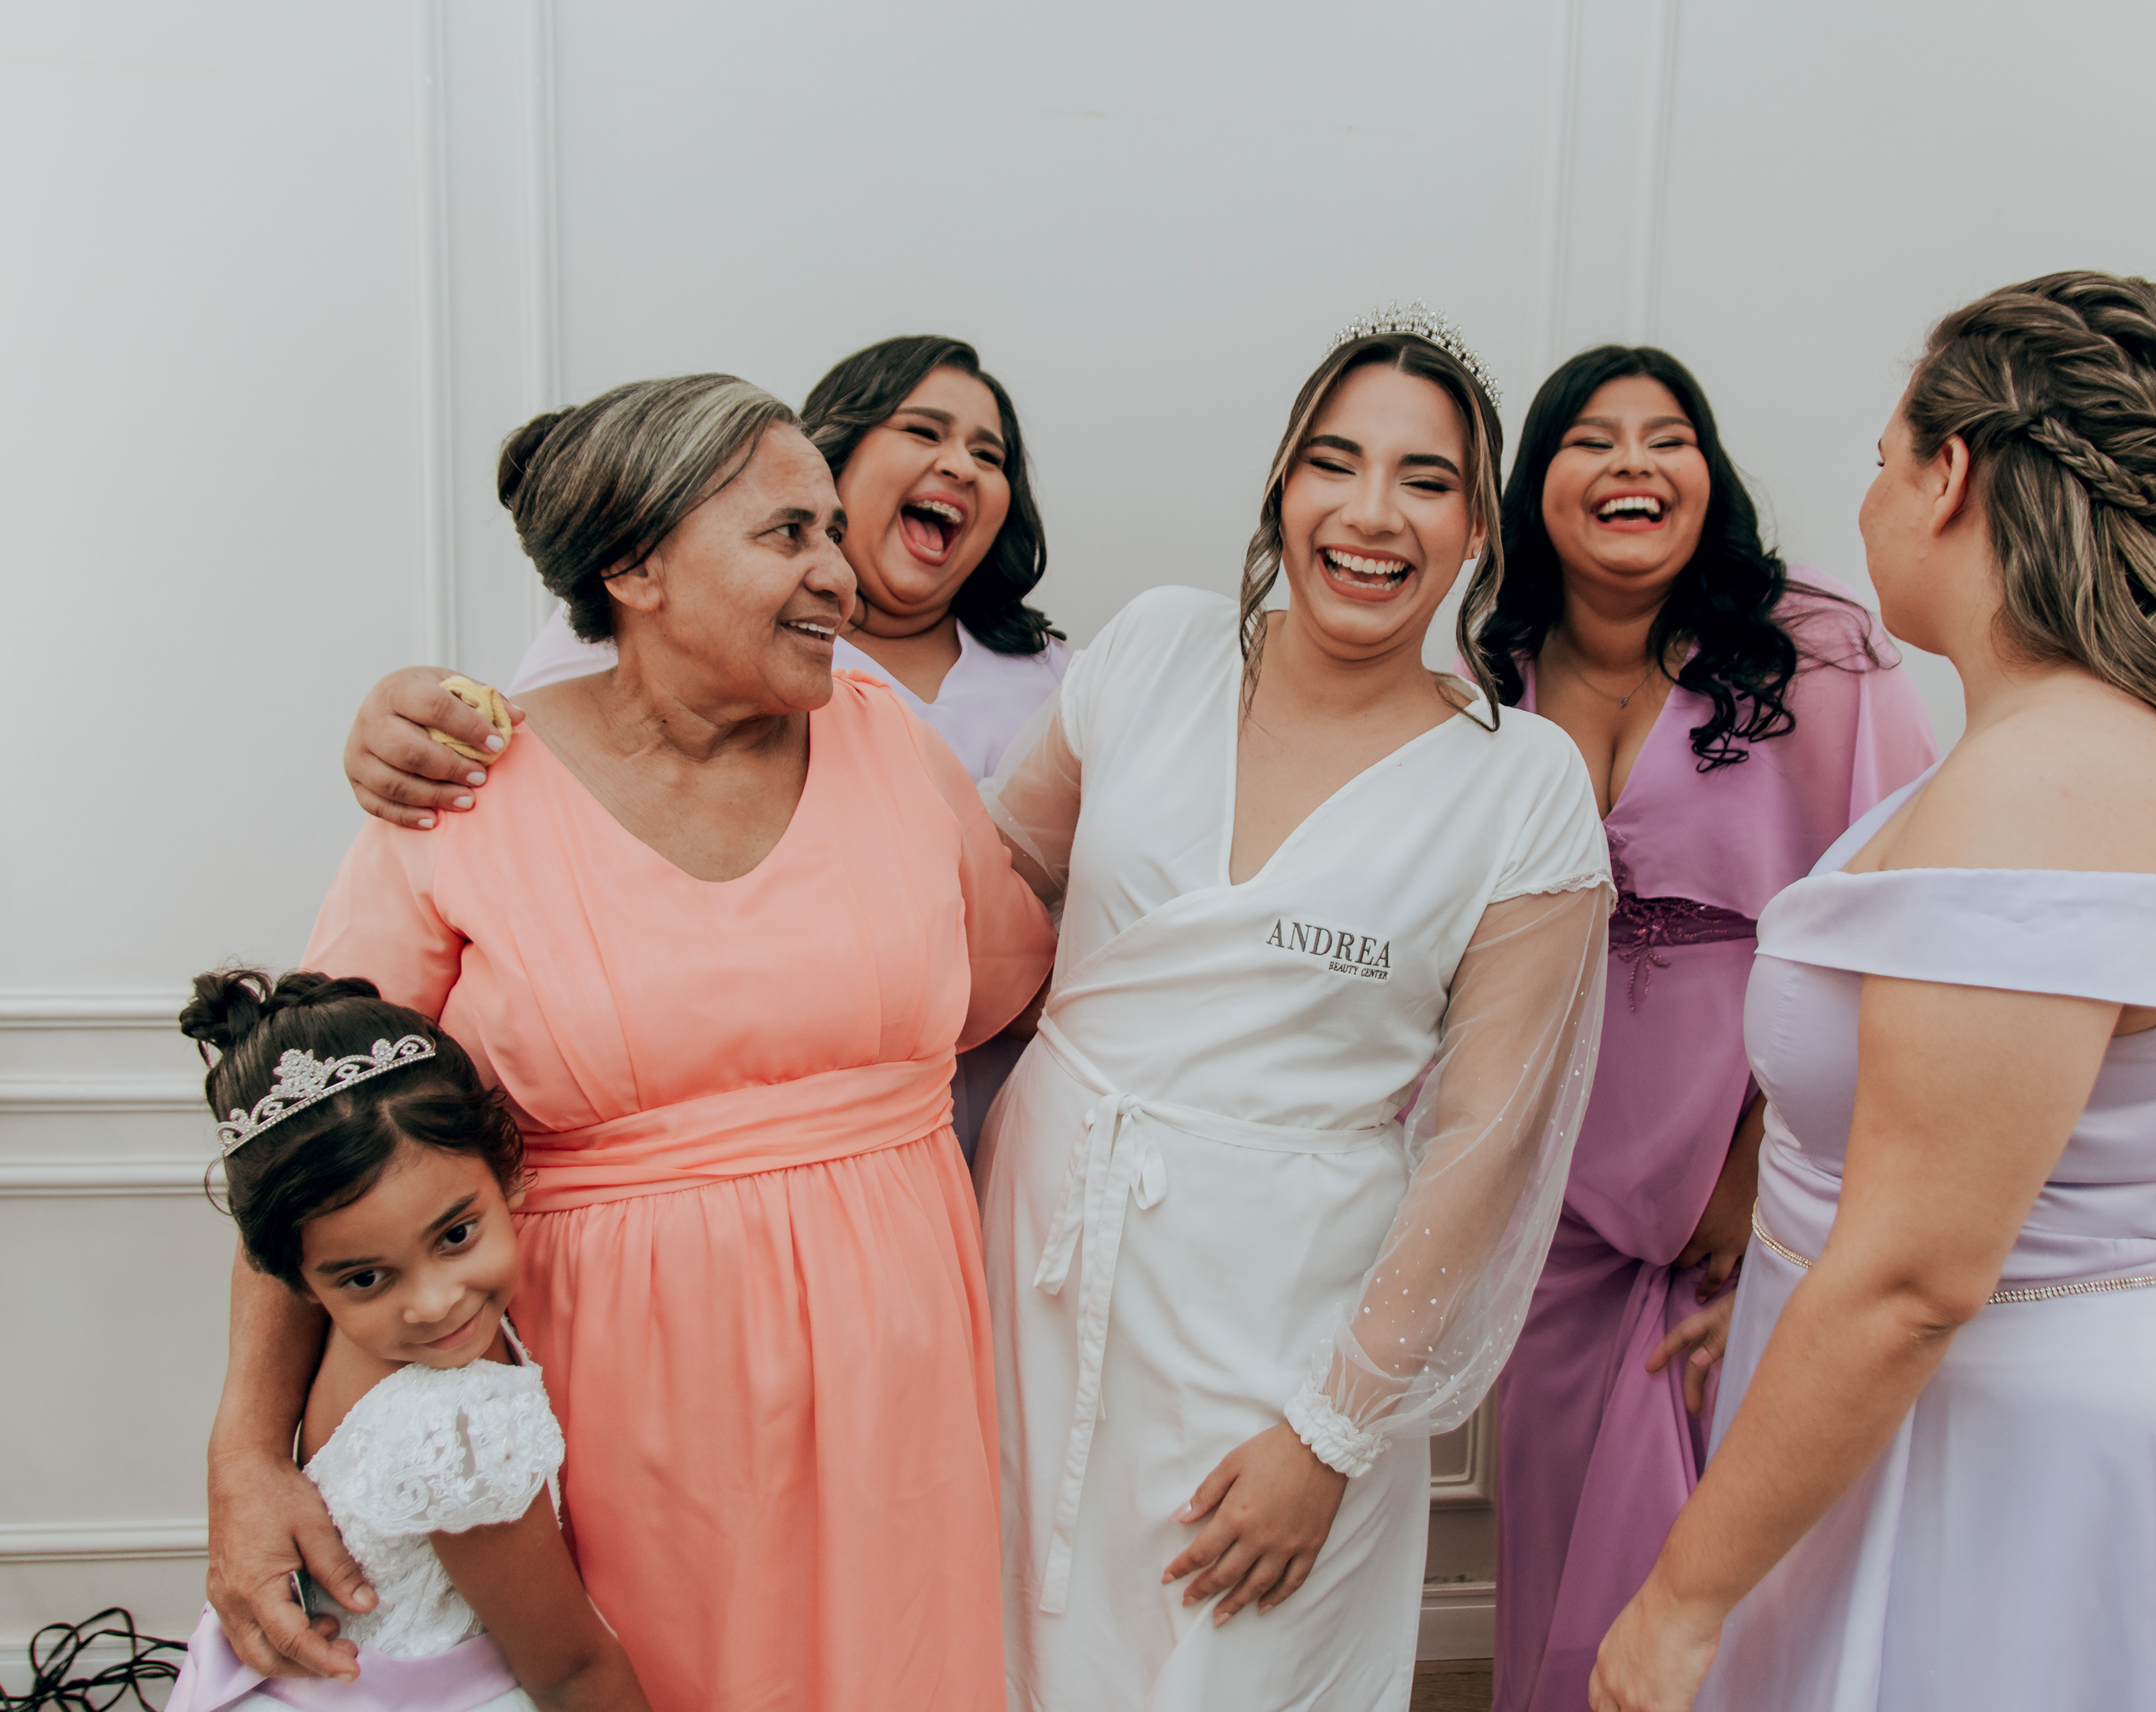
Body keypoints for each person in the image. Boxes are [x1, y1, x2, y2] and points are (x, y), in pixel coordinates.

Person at [203, 375, 1056, 1709]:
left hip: (901, 1388)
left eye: (833, 532)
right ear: (635, 566)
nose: (839, 574)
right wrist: (246, 1455)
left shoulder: (894, 744)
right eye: (788, 534)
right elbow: (312, 1133)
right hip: (615, 1408)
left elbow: (1013, 982)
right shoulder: (463, 783)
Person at [1588, 272, 2156, 1712]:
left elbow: (1913, 1280)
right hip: (1985, 1411)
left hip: (2004, 1470)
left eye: (1883, 460)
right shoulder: (2073, 750)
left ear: (1950, 475)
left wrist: (1681, 1601)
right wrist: (1783, 1294)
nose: (1870, 500)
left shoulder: (2040, 791)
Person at [973, 306, 1613, 1711]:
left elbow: (1486, 1141)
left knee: (1236, 1666)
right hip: (1045, 1265)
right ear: (1281, 484)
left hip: (1283, 1326)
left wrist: (1330, 1435)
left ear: (1478, 530)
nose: (1371, 513)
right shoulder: (1155, 649)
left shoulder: (1522, 786)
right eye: (1335, 461)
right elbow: (985, 898)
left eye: (1426, 481)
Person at [1480, 346, 1935, 1712]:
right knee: (1557, 1546)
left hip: (1752, 1192)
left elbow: (1901, 920)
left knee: (1726, 1591)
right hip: (1551, 1200)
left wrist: (1763, 1176)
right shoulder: (1491, 676)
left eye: (1666, 436)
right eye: (1591, 438)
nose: (1631, 461)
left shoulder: (1818, 652)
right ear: (1536, 485)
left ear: (1708, 472)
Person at [349, 336, 1069, 1158]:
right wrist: (391, 720)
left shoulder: (1006, 696)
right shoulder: (510, 740)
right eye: (790, 531)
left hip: (970, 1168)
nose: (961, 465)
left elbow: (1026, 978)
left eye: (990, 454)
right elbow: (344, 1093)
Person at [169, 968, 649, 1712]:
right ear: (299, 1282)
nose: (434, 1304)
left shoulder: (358, 1344)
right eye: (368, 1278)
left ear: (507, 1172)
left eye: (455, 1236)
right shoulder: (457, 1422)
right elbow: (570, 1672)